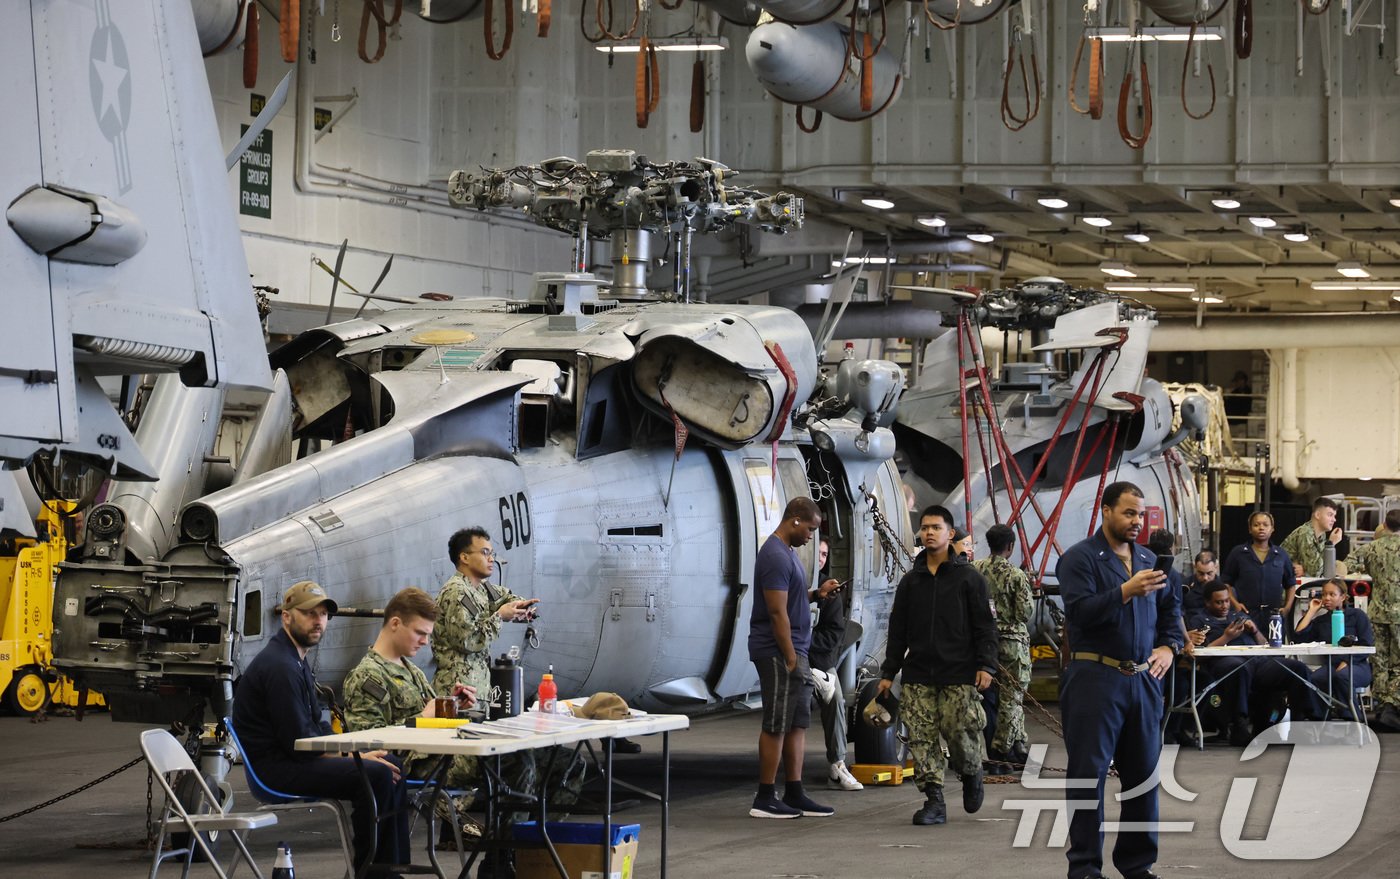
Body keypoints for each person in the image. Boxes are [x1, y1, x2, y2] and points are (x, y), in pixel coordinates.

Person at [232, 581, 410, 872]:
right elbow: (300, 743)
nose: (318, 621)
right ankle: (372, 873)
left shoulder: (295, 659)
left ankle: (390, 869)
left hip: (294, 757)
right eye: (309, 614)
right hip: (278, 768)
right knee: (376, 774)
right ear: (286, 617)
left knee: (390, 764)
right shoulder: (281, 667)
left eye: (323, 614)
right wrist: (356, 757)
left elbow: (317, 727)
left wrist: (357, 751)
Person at [1056, 481, 1181, 879]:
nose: (1136, 522)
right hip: (1096, 677)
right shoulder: (1080, 559)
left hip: (1143, 681)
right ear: (1106, 511)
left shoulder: (1149, 558)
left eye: (1140, 515)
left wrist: (1169, 648)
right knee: (1086, 777)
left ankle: (1137, 864)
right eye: (1128, 513)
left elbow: (1170, 612)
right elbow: (1079, 613)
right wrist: (1125, 591)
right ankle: (1085, 868)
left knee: (1143, 776)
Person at [878, 505, 997, 827]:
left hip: (959, 672)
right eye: (925, 527)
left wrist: (987, 665)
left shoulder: (969, 579)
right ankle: (934, 800)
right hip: (918, 674)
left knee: (960, 733)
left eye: (936, 527)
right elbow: (898, 628)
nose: (929, 532)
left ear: (950, 533)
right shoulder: (910, 582)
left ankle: (972, 773)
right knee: (921, 738)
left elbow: (986, 627)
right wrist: (888, 673)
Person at [748, 497, 838, 819]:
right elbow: (776, 612)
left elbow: (791, 599)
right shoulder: (774, 554)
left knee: (797, 722)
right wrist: (789, 656)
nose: (811, 537)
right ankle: (765, 797)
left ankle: (795, 791)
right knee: (777, 722)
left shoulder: (787, 554)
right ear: (795, 520)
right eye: (811, 529)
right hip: (779, 651)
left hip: (796, 650)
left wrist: (817, 594)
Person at [343, 588, 479, 791]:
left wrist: (451, 705)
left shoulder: (411, 669)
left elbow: (431, 718)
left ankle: (511, 822)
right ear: (395, 623)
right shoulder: (367, 676)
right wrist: (424, 717)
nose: (425, 641)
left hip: (436, 749)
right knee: (485, 763)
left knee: (521, 758)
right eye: (420, 633)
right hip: (412, 762)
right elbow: (370, 743)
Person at [432, 527, 538, 701]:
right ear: (464, 557)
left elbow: (503, 598)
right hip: (457, 692)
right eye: (484, 553)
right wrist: (500, 617)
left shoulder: (480, 588)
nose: (491, 559)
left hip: (477, 691)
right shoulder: (456, 592)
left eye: (491, 554)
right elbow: (468, 640)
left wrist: (522, 606)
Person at [973, 523, 1033, 765]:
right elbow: (1024, 613)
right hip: (1012, 646)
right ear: (1010, 546)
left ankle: (1017, 744)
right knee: (1012, 698)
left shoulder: (975, 570)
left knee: (989, 699)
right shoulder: (1016, 575)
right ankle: (1002, 750)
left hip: (984, 644)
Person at [809, 538, 862, 791]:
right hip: (790, 656)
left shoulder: (829, 590)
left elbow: (833, 635)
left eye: (824, 554)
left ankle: (837, 764)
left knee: (836, 699)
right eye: (817, 553)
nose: (820, 558)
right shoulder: (794, 581)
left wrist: (803, 640)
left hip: (818, 659)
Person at [1342, 509, 1400, 730]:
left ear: (1384, 525)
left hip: (1377, 613)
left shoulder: (1371, 547)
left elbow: (1346, 565)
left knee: (1380, 662)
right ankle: (1392, 707)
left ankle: (1382, 705)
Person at [1188, 583, 1265, 746]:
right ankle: (1239, 725)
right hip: (1222, 663)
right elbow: (1199, 655)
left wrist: (1255, 631)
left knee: (1293, 668)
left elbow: (1266, 645)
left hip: (1255, 660)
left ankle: (1307, 723)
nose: (1224, 606)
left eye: (1227, 601)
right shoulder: (1199, 620)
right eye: (1219, 602)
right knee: (1239, 668)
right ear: (1207, 602)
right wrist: (1226, 637)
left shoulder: (1238, 615)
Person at [1294, 578, 1374, 721]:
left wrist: (1347, 661)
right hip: (1331, 666)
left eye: (1332, 594)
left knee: (1342, 676)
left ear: (1343, 597)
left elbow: (1366, 644)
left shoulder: (1357, 616)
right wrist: (1312, 611)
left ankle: (1353, 719)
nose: (1327, 598)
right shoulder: (1321, 621)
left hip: (1357, 665)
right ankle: (1320, 718)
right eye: (1324, 594)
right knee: (1313, 680)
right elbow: (1299, 636)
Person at [1220, 511, 1297, 630]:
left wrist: (1287, 607)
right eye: (1256, 525)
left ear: (1272, 529)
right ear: (1250, 529)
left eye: (1265, 525)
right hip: (1246, 615)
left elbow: (1291, 584)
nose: (1261, 528)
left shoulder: (1281, 554)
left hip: (1274, 616)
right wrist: (1235, 604)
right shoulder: (1238, 553)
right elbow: (1226, 583)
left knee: (1274, 647)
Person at [1280, 497, 1348, 580]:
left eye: (1334, 516)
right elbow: (1315, 572)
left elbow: (1323, 567)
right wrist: (1331, 543)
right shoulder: (1305, 533)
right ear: (1318, 515)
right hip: (1281, 580)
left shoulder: (1321, 535)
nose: (1334, 520)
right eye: (1330, 515)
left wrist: (1305, 570)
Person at [1182, 550, 1219, 620]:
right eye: (1201, 573)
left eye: (1209, 573)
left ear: (1216, 568)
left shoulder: (1225, 587)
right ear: (1195, 567)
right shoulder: (1185, 587)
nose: (1205, 578)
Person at [1224, 370, 1252, 435]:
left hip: (1244, 422)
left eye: (1240, 380)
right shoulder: (1234, 393)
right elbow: (1228, 405)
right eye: (1237, 381)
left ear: (1244, 381)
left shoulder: (1249, 392)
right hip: (1233, 422)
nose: (1239, 382)